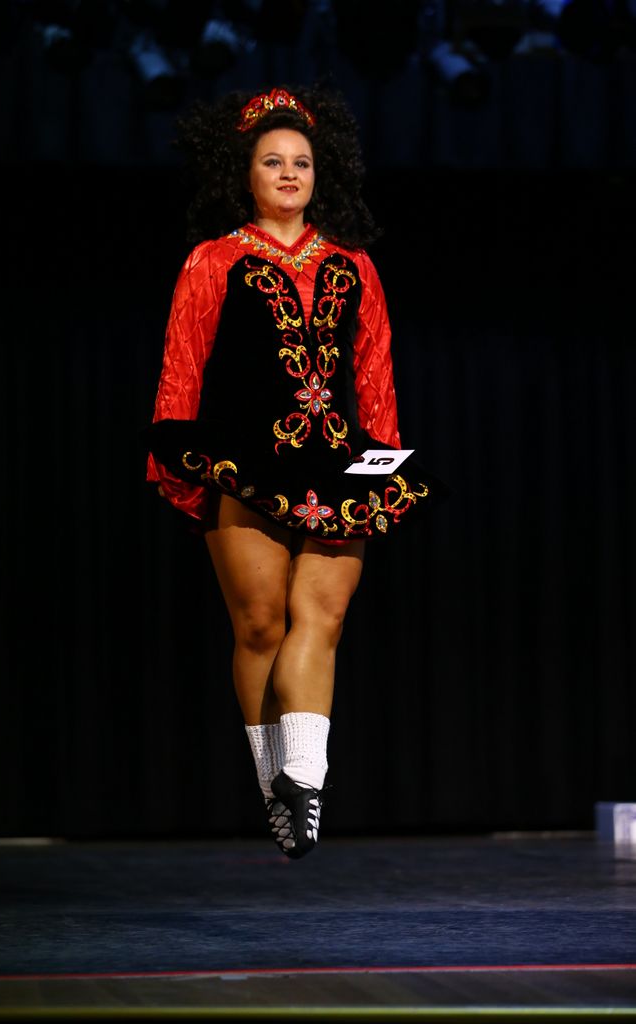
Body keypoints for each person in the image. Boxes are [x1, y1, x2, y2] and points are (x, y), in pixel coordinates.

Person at [144, 84, 443, 860]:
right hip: (247, 462)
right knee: (259, 625)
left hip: (337, 463)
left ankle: (304, 782)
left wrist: (382, 464)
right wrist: (177, 447)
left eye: (300, 162)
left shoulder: (353, 265)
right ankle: (271, 781)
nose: (287, 173)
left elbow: (375, 375)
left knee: (323, 616)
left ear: (320, 173)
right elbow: (183, 366)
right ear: (244, 174)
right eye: (272, 161)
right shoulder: (214, 259)